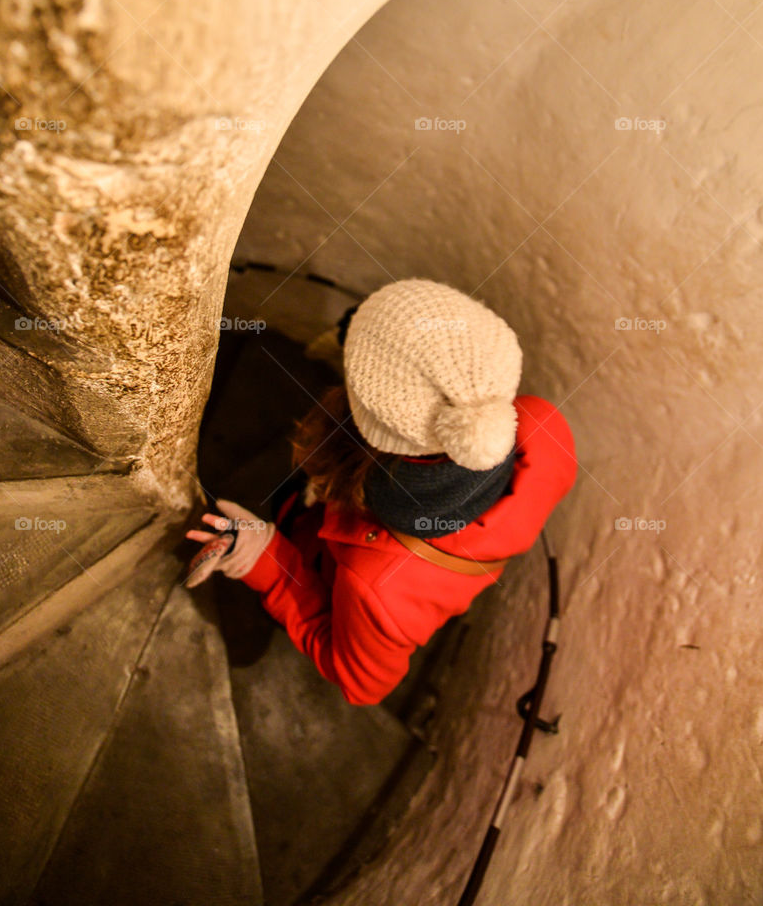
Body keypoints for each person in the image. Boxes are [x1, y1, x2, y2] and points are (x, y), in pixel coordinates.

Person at [185, 278, 577, 706]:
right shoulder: (544, 427)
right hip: (325, 522)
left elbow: (362, 684)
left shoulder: (375, 586)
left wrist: (267, 562)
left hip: (316, 564)